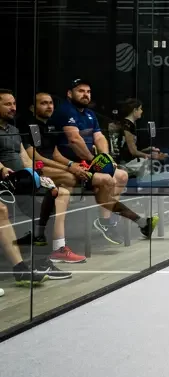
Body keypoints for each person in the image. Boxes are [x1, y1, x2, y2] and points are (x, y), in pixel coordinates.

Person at [54, 79, 157, 241]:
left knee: (122, 176)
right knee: (108, 179)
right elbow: (74, 139)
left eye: (88, 92)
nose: (85, 95)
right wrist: (94, 159)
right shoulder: (66, 111)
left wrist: (105, 157)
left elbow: (100, 137)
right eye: (81, 91)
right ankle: (108, 221)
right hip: (71, 163)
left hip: (90, 162)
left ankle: (106, 220)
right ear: (69, 93)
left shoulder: (89, 114)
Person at [0, 90, 84, 266]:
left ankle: (57, 249)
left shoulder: (14, 130)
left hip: (24, 179)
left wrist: (37, 176)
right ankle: (41, 261)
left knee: (59, 193)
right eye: (8, 104)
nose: (13, 108)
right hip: (7, 183)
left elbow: (25, 158)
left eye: (14, 104)